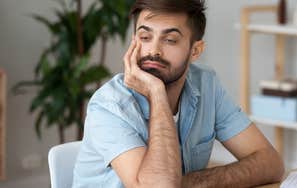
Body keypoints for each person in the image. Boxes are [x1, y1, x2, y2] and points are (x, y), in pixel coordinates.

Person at [73, 0, 284, 187]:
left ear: (195, 51)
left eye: (170, 40)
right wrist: (157, 93)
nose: (153, 50)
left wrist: (190, 182)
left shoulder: (206, 84)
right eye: (145, 36)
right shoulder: (109, 105)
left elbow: (270, 163)